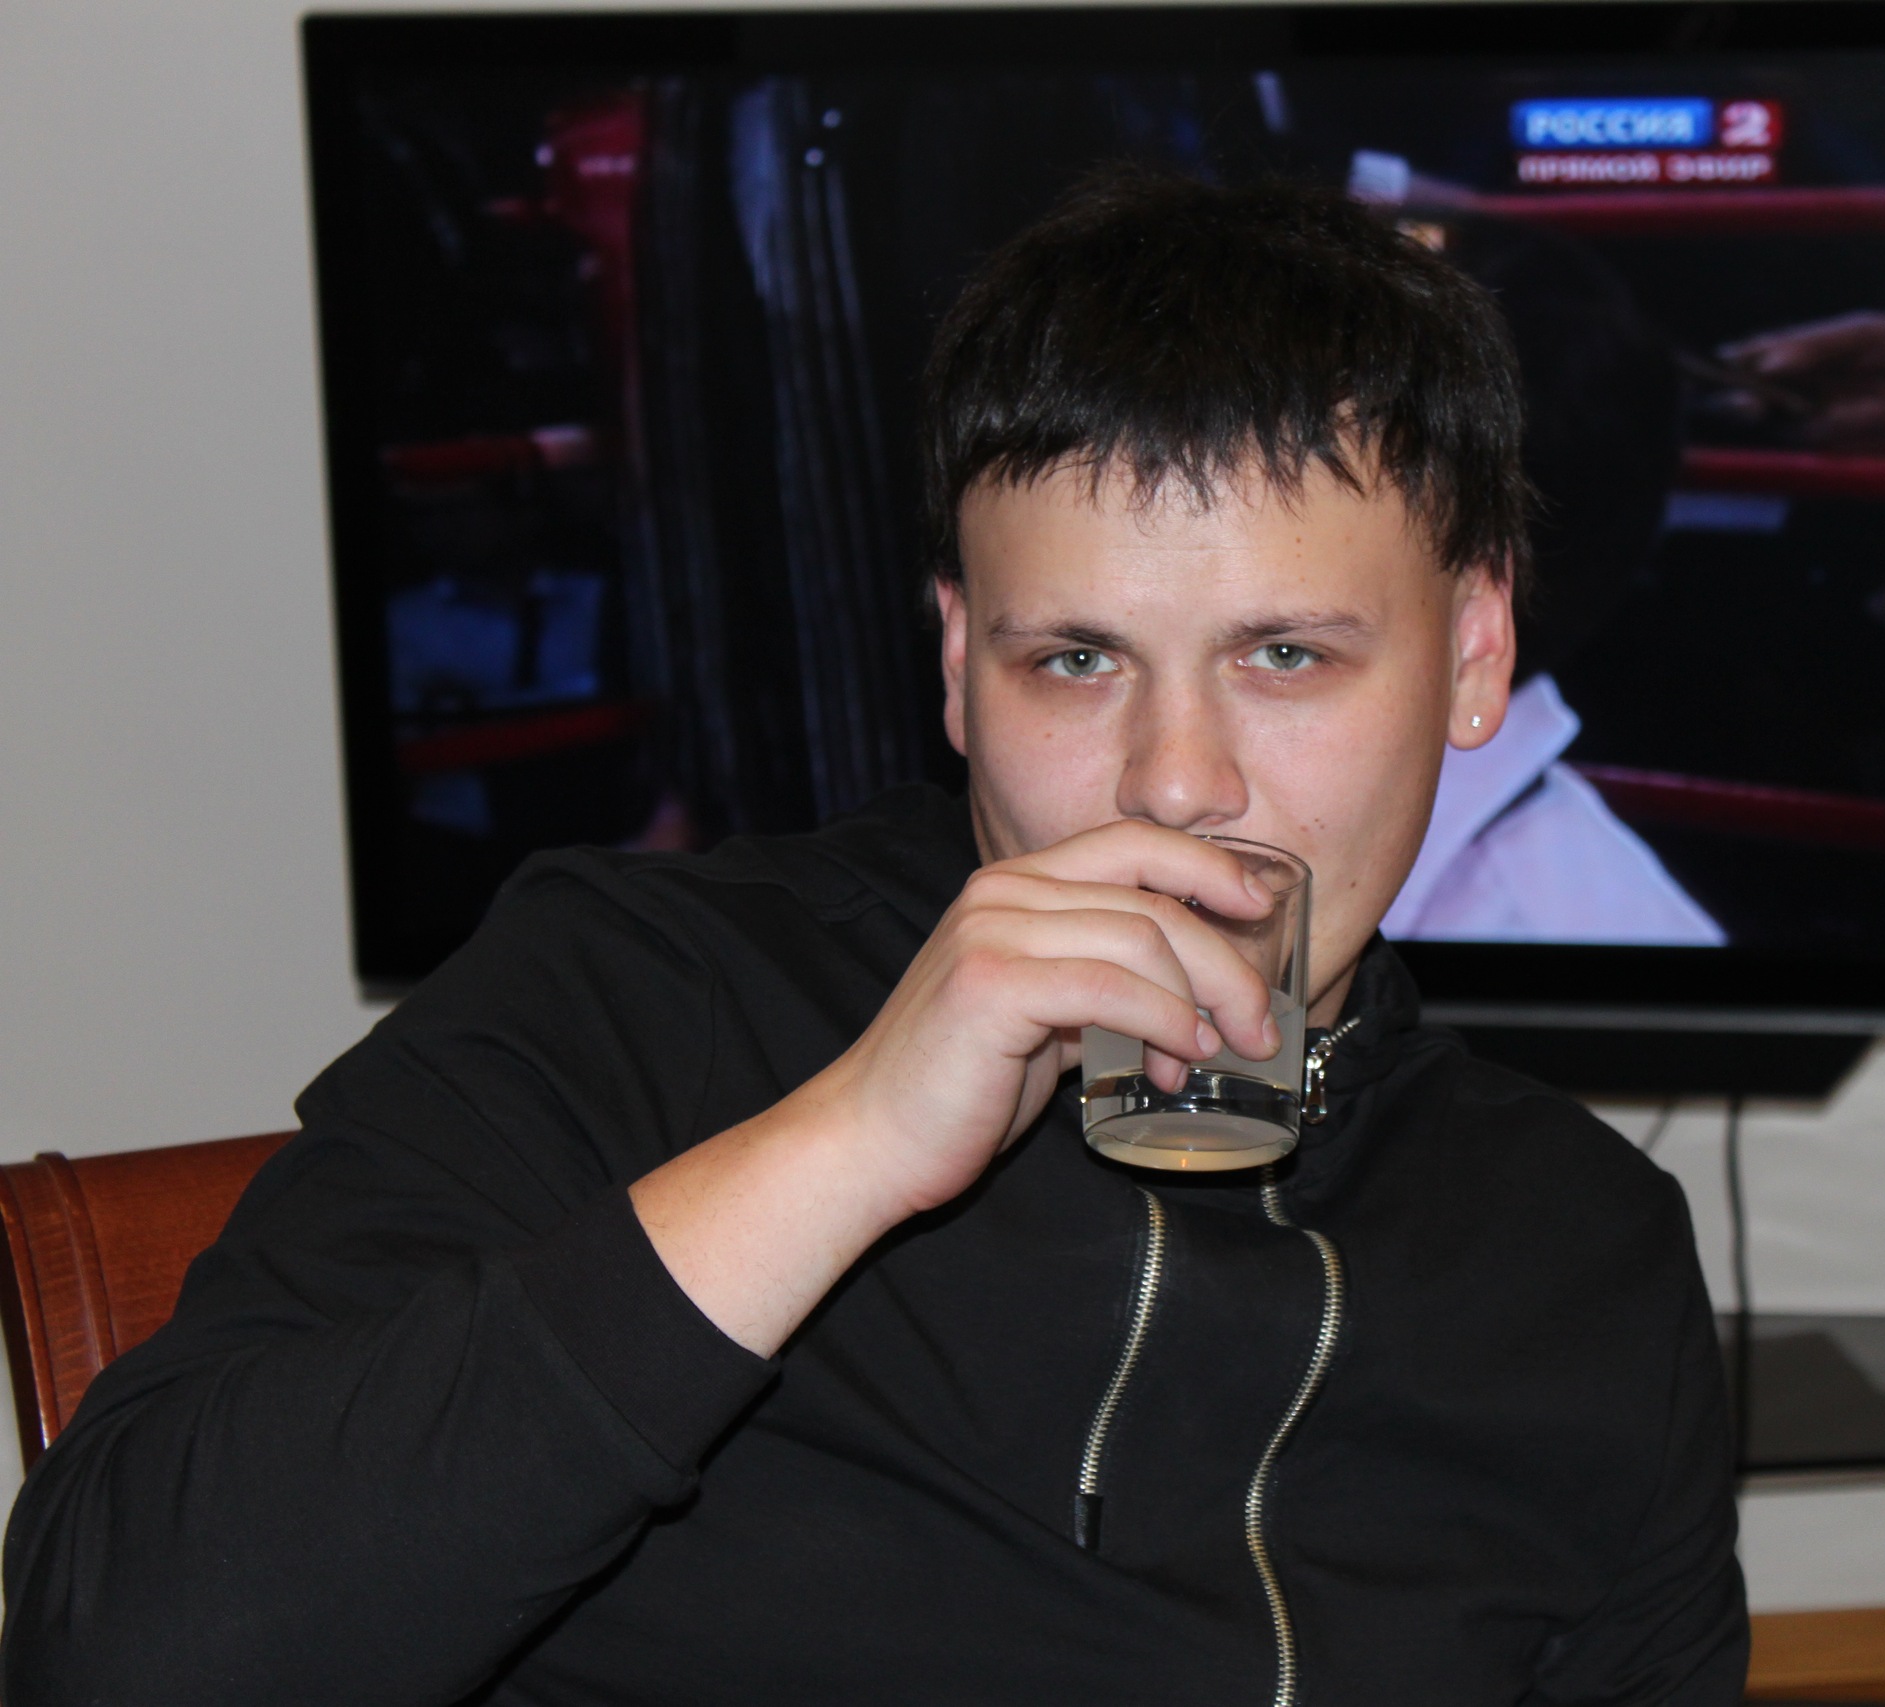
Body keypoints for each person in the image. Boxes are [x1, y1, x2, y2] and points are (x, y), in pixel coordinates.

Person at [1, 172, 1747, 1705]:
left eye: (1285, 656)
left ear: (1472, 657)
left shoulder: (1583, 1255)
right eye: (1076, 659)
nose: (1176, 780)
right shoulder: (633, 997)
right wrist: (847, 1142)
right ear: (957, 664)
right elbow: (119, 1654)